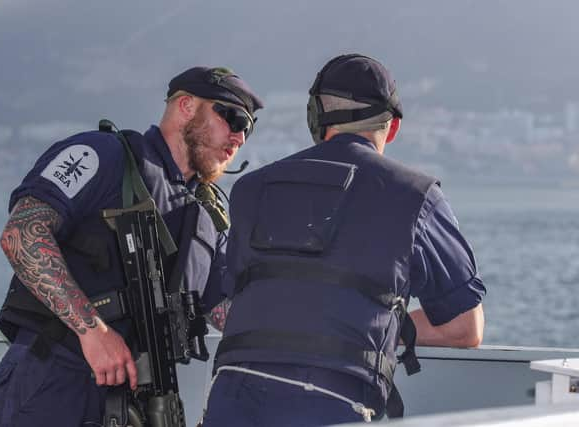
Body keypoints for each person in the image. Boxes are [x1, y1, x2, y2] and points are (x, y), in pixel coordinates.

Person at [201, 54, 486, 426]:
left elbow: (234, 303)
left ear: (314, 119)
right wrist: (368, 328)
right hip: (332, 404)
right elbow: (465, 327)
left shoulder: (250, 189)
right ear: (394, 127)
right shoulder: (416, 196)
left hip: (230, 397)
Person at [0, 66, 263, 427]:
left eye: (248, 129)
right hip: (54, 378)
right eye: (234, 118)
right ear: (186, 106)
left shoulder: (208, 214)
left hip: (138, 402)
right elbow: (22, 233)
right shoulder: (102, 155)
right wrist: (93, 332)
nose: (240, 136)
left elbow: (225, 311)